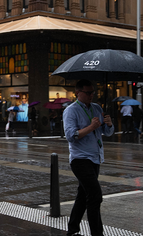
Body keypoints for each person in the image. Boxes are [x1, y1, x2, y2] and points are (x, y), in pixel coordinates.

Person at [63, 79, 114, 236]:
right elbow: (71, 135)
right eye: (88, 92)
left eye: (93, 92)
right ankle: (97, 233)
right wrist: (91, 127)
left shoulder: (97, 108)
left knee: (83, 195)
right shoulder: (71, 111)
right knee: (95, 196)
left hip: (95, 157)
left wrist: (109, 124)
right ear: (78, 93)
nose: (92, 95)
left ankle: (72, 230)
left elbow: (107, 133)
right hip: (80, 159)